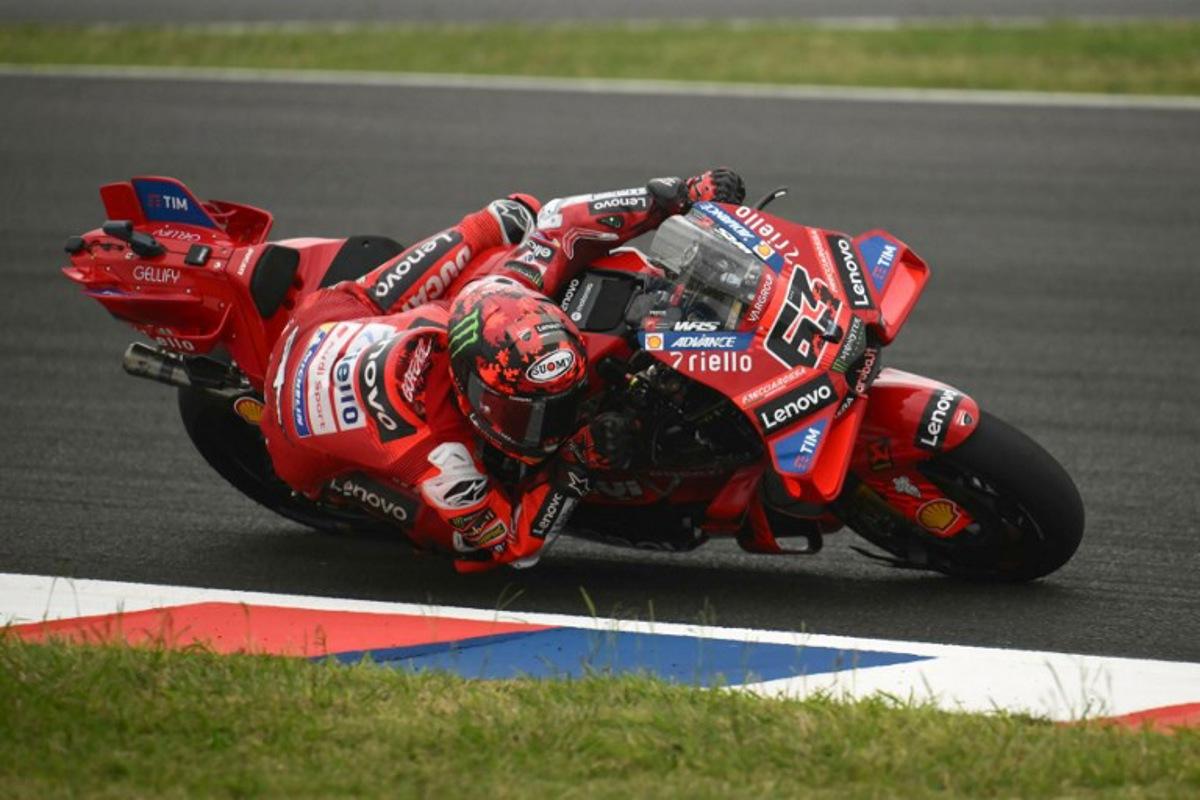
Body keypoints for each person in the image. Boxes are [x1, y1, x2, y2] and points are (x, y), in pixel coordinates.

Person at [259, 169, 746, 572]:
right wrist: (573, 467)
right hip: (294, 432)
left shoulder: (505, 287)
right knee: (458, 539)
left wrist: (680, 195)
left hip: (340, 317)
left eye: (563, 404)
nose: (554, 427)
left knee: (506, 219)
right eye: (531, 415)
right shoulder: (441, 459)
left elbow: (561, 223)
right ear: (474, 396)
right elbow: (515, 546)